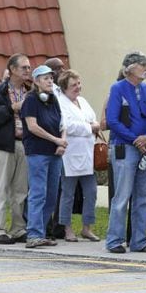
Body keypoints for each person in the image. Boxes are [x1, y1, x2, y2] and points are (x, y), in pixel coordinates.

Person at [105, 51, 146, 253]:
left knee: (143, 197)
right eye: (142, 65)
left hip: (145, 148)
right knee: (122, 196)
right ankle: (114, 240)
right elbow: (112, 120)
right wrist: (134, 139)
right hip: (125, 148)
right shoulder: (118, 88)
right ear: (129, 68)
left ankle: (139, 240)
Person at [0, 53, 31, 244]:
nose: (28, 71)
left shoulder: (30, 92)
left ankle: (18, 228)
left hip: (23, 144)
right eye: (24, 67)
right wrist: (12, 108)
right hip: (3, 145)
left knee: (20, 190)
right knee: (1, 188)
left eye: (29, 68)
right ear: (12, 69)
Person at [20, 65, 67, 248]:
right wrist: (55, 139)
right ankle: (33, 233)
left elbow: (63, 124)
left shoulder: (53, 99)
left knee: (51, 195)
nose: (50, 81)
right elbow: (32, 127)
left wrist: (61, 142)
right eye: (45, 78)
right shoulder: (31, 100)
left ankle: (41, 231)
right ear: (36, 81)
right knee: (38, 193)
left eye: (51, 78)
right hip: (38, 152)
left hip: (54, 152)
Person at [57, 69, 100, 242]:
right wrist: (89, 127)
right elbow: (67, 125)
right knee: (68, 193)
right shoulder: (60, 103)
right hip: (71, 155)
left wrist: (92, 125)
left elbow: (94, 119)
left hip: (88, 153)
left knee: (91, 192)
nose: (78, 88)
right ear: (64, 88)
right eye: (73, 85)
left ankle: (87, 227)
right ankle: (67, 228)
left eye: (78, 83)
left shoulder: (82, 101)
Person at [44, 57, 67, 239]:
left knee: (59, 189)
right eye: (57, 69)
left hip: (63, 144)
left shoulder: (62, 91)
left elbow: (64, 119)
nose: (62, 70)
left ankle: (58, 227)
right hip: (46, 145)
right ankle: (44, 226)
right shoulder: (46, 92)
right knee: (43, 190)